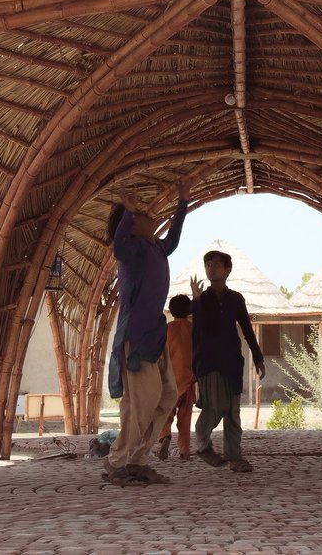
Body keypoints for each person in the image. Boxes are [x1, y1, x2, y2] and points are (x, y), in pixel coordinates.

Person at [103, 182, 188, 486]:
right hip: (136, 339)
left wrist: (183, 204)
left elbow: (174, 239)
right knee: (141, 402)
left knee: (167, 396)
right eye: (144, 215)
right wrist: (127, 211)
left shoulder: (155, 247)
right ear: (133, 225)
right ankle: (117, 461)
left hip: (155, 335)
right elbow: (119, 243)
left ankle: (138, 460)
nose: (152, 216)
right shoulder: (132, 251)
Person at [189, 249, 265, 472]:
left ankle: (235, 457)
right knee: (214, 407)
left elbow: (247, 330)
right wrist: (196, 300)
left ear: (228, 269)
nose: (211, 268)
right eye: (208, 265)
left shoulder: (235, 299)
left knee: (233, 412)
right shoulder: (202, 299)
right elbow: (198, 330)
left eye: (217, 265)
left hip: (232, 361)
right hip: (208, 362)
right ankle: (203, 444)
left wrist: (258, 357)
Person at [156, 294, 195, 461]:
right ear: (189, 311)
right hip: (189, 379)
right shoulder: (194, 329)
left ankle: (164, 436)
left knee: (165, 413)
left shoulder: (166, 329)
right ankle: (184, 450)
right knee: (185, 418)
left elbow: (159, 354)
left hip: (170, 380)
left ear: (171, 311)